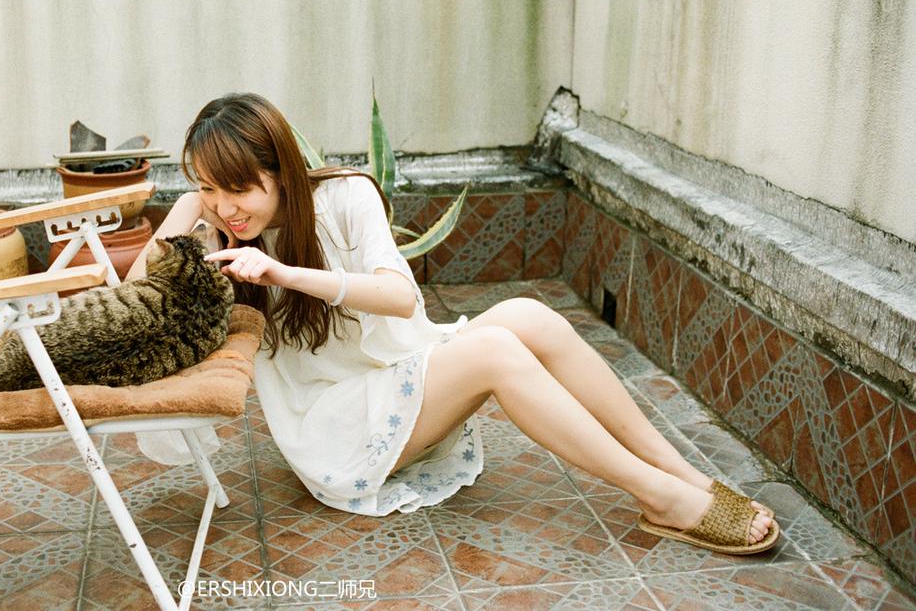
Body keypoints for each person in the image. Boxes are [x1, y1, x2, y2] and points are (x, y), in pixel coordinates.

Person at [127, 93, 778, 554]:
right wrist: (188, 208)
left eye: (237, 188)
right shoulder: (217, 235)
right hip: (333, 428)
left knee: (528, 315)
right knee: (495, 351)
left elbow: (400, 299)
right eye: (208, 187)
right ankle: (658, 497)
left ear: (282, 172)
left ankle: (682, 474)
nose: (226, 207)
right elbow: (133, 302)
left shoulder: (345, 196)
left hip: (396, 373)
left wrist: (285, 273)